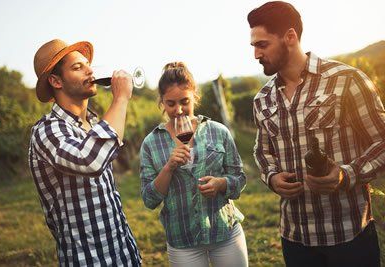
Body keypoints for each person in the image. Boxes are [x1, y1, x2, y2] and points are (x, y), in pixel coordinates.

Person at [249, 2, 382, 266]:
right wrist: (272, 177)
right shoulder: (262, 99)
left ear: (290, 37)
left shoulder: (345, 80)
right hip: (295, 239)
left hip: (349, 235)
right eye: (253, 46)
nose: (255, 54)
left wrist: (346, 174)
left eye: (262, 44)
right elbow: (262, 151)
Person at [28, 39, 141, 266]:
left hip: (123, 253)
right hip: (88, 259)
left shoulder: (95, 123)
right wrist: (120, 98)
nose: (90, 70)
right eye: (78, 67)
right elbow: (90, 161)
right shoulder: (47, 131)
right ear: (56, 81)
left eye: (87, 64)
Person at [139, 62, 248, 267]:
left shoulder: (218, 131)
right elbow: (149, 199)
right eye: (171, 103)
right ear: (161, 101)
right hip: (183, 242)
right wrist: (169, 167)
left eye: (184, 101)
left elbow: (240, 178)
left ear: (194, 96)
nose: (179, 110)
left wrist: (221, 184)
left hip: (225, 232)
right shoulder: (151, 143)